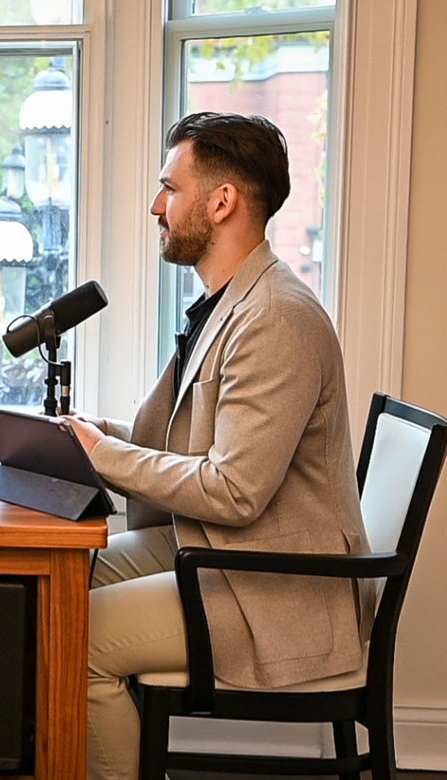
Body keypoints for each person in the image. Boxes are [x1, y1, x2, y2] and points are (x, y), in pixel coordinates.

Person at [64, 112, 371, 780]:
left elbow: (234, 491)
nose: (156, 205)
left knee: (74, 639)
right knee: (61, 583)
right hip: (225, 555)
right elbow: (183, 444)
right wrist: (93, 437)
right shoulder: (231, 301)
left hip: (273, 587)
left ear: (222, 201)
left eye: (169, 187)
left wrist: (104, 457)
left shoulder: (275, 319)